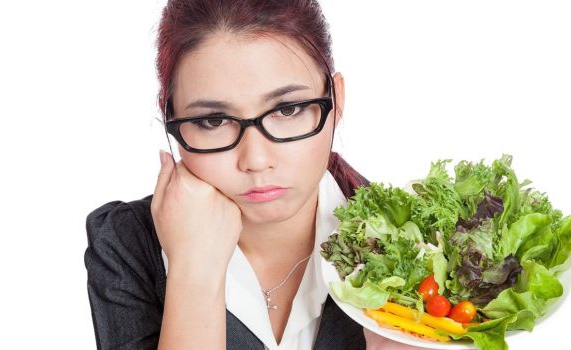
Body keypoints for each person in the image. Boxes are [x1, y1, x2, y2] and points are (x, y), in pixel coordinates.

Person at [84, 1, 425, 349]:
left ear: (336, 100)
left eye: (287, 109)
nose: (257, 159)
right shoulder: (127, 245)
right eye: (213, 121)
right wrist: (193, 271)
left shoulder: (419, 244)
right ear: (170, 118)